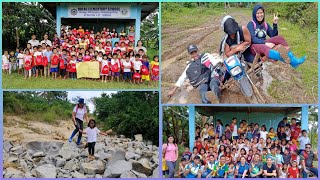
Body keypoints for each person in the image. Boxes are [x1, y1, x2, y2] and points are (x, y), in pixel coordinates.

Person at [247, 4, 306, 68]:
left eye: (261, 12)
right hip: (254, 47)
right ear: (254, 14)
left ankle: (293, 61)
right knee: (264, 46)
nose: (260, 15)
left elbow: (273, 35)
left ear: (263, 13)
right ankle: (285, 59)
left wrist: (275, 24)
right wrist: (265, 43)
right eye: (257, 13)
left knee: (280, 38)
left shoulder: (265, 24)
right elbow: (253, 39)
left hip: (263, 43)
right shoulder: (251, 24)